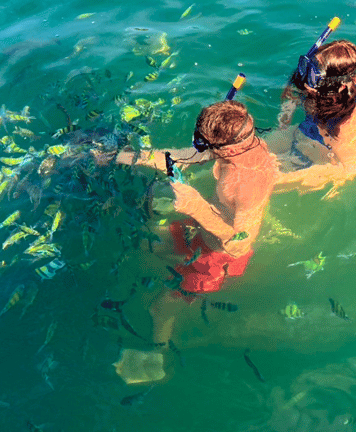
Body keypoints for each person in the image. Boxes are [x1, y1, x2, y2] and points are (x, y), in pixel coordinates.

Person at [110, 100, 280, 382]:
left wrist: (197, 207)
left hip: (216, 258)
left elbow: (238, 243)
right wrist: (124, 157)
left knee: (160, 307)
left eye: (205, 142)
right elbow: (180, 156)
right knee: (142, 243)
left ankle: (156, 356)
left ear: (230, 147)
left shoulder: (249, 184)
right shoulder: (241, 146)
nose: (199, 146)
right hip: (200, 231)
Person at [266, 39, 356, 199]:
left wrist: (334, 179)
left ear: (338, 86)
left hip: (325, 148)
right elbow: (291, 96)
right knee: (258, 149)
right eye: (309, 66)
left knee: (264, 181)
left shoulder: (344, 126)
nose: (307, 76)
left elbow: (353, 166)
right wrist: (285, 117)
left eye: (314, 75)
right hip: (306, 129)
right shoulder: (322, 85)